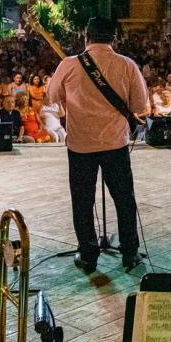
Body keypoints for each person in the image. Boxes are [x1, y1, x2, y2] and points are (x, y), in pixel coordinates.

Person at [47, 17, 149, 273]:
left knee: (82, 201)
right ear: (114, 38)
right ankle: (130, 253)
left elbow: (52, 96)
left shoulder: (69, 64)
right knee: (124, 199)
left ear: (86, 36)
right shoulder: (126, 65)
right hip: (115, 143)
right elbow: (138, 105)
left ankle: (88, 254)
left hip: (81, 145)